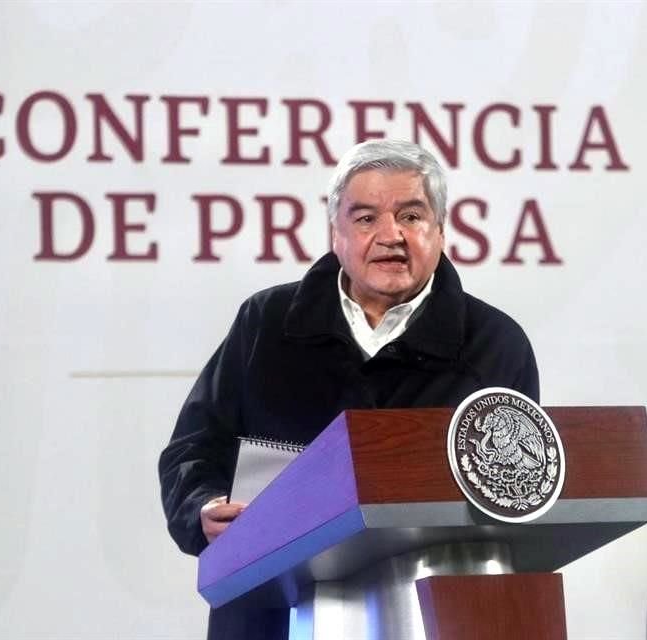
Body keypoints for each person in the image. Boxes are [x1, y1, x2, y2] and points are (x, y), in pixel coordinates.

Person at [158, 139, 539, 640]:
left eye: (411, 216)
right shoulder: (266, 324)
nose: (390, 236)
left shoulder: (495, 343)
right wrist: (203, 507)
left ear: (441, 231)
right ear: (335, 234)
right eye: (365, 219)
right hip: (273, 611)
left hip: (432, 615)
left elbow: (523, 494)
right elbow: (192, 450)